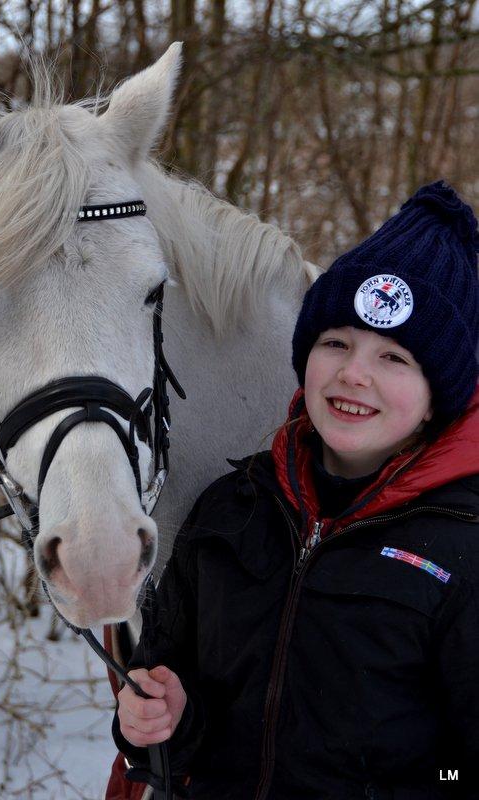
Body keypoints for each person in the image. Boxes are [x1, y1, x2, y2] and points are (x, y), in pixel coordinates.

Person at [110, 181, 479, 800]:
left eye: (395, 358)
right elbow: (175, 738)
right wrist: (160, 718)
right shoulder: (230, 510)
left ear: (437, 396)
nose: (353, 373)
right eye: (335, 342)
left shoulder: (463, 549)